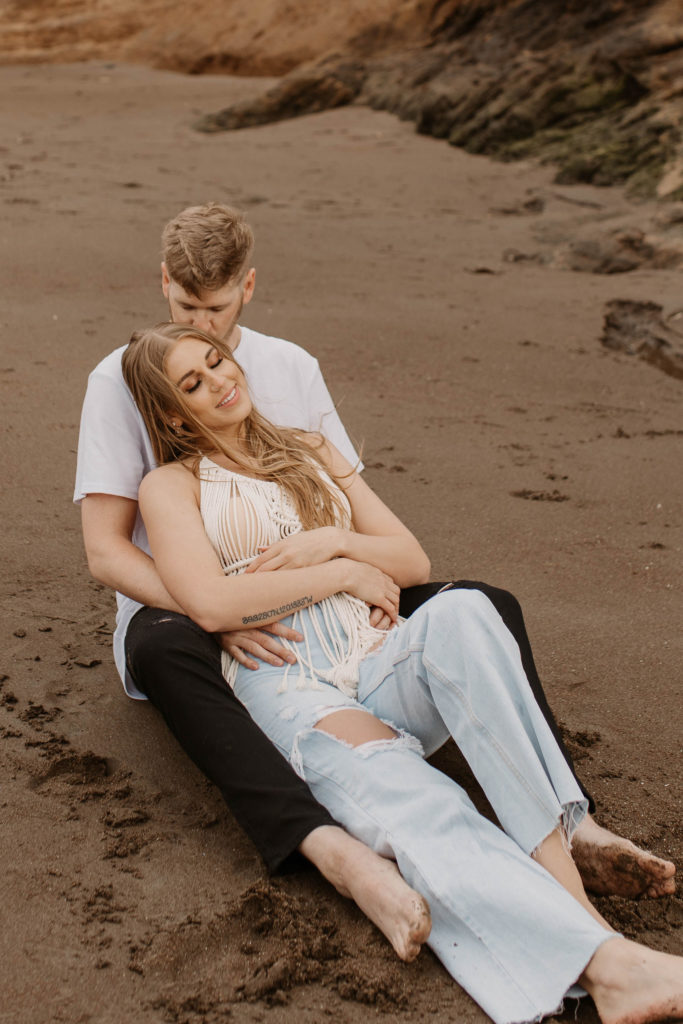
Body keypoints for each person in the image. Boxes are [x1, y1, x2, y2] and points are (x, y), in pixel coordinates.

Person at [74, 202, 674, 916]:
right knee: (167, 650)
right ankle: (312, 836)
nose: (202, 329)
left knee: (485, 603)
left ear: (249, 287)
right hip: (183, 597)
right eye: (185, 306)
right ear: (162, 282)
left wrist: (336, 551)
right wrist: (215, 609)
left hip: (323, 594)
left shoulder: (289, 368)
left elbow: (359, 515)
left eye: (216, 310)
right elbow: (107, 551)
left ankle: (573, 825)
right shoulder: (124, 378)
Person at [121, 321, 683, 1024]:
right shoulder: (169, 485)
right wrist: (342, 571)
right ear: (172, 412)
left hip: (377, 655)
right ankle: (602, 966)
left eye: (216, 360)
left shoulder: (311, 448)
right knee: (421, 801)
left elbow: (411, 561)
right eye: (192, 384)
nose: (219, 381)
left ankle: (569, 895)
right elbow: (207, 602)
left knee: (465, 612)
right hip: (291, 680)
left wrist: (336, 542)